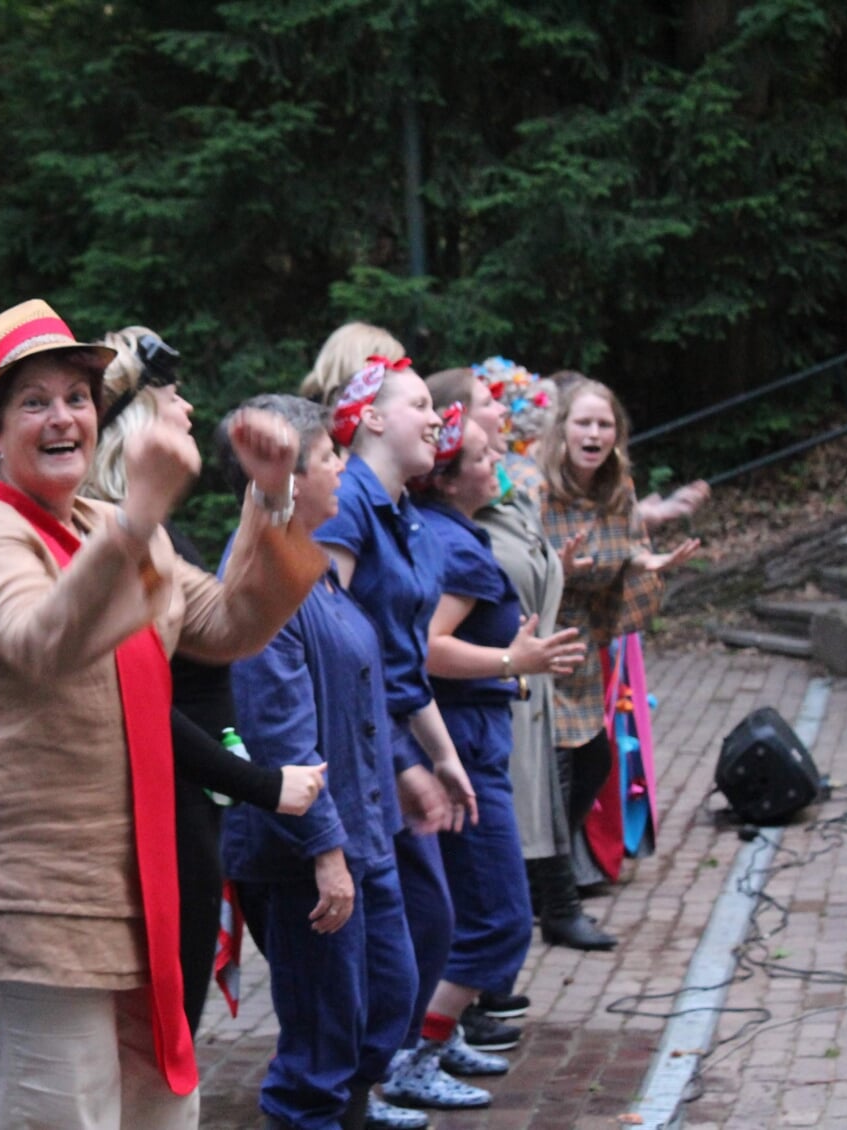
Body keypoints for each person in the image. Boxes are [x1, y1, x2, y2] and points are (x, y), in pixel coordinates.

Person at [0, 298, 324, 1130]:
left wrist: (272, 496)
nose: (63, 416)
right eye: (33, 401)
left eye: (77, 397)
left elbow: (229, 626)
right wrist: (139, 515)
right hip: (36, 901)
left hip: (143, 884)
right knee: (60, 1114)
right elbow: (43, 638)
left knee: (162, 1110)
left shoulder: (109, 526)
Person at [82, 324, 327, 1037]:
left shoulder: (162, 540)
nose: (187, 409)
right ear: (132, 431)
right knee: (160, 1017)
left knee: (177, 1013)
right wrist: (261, 784)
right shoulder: (106, 544)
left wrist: (270, 494)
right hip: (155, 809)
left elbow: (234, 623)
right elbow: (131, 700)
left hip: (194, 801)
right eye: (170, 397)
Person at [219, 394, 424, 1130]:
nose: (344, 466)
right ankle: (310, 1115)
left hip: (364, 834)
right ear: (289, 478)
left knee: (388, 997)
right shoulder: (260, 580)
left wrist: (401, 781)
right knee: (321, 1035)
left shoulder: (316, 566)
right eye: (330, 454)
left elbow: (359, 700)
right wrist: (326, 852)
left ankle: (353, 1109)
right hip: (302, 850)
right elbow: (279, 734)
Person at [300, 339, 487, 1114]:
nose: (437, 417)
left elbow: (403, 665)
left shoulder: (405, 515)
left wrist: (444, 758)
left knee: (421, 921)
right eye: (419, 404)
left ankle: (373, 1071)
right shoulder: (346, 507)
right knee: (397, 928)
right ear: (370, 419)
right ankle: (357, 1078)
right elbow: (333, 645)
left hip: (397, 738)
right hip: (359, 752)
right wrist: (406, 764)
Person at [411, 409, 588, 1080]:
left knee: (457, 912)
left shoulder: (439, 529)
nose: (498, 464)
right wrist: (515, 661)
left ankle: (432, 1036)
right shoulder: (459, 547)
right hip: (463, 745)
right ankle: (413, 1052)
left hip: (463, 734)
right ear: (450, 480)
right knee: (502, 920)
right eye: (484, 457)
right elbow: (425, 649)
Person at [424, 363, 611, 959]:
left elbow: (516, 567)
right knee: (495, 895)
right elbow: (429, 638)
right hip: (486, 700)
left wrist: (557, 566)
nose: (503, 412)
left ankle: (546, 909)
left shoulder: (492, 495)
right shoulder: (458, 522)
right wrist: (511, 658)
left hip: (517, 687)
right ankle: (460, 1011)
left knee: (568, 780)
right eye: (486, 404)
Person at [533, 376, 700, 915]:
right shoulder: (534, 489)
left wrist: (645, 564)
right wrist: (554, 571)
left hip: (586, 646)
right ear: (562, 430)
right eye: (584, 422)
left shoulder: (618, 488)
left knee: (594, 764)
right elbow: (507, 570)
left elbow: (629, 547)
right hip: (538, 642)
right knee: (556, 774)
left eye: (605, 424)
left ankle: (546, 879)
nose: (595, 432)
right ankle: (552, 900)